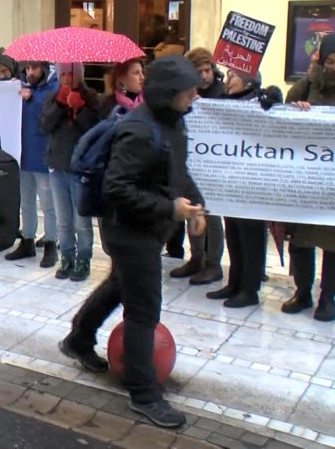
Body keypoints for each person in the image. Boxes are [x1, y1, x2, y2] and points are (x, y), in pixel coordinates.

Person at [59, 55, 206, 429]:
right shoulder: (139, 130)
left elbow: (179, 171)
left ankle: (78, 339)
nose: (195, 96)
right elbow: (118, 188)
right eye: (189, 90)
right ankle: (144, 394)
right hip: (128, 230)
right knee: (143, 311)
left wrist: (196, 205)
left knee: (119, 285)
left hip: (149, 226)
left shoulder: (172, 123)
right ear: (169, 92)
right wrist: (170, 209)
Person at [205, 70, 281, 308]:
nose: (227, 81)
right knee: (234, 234)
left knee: (251, 237)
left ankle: (250, 289)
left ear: (248, 81)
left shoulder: (261, 101)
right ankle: (235, 282)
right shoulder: (226, 102)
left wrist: (275, 99)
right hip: (230, 181)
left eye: (233, 77)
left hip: (253, 183)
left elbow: (278, 120)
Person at [283, 33, 335, 322]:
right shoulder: (308, 85)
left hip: (331, 182)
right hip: (305, 178)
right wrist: (297, 108)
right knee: (300, 239)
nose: (333, 67)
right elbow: (285, 111)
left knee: (332, 243)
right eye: (330, 61)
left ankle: (329, 297)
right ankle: (302, 292)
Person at [169, 48, 226, 284]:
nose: (204, 76)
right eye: (199, 71)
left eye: (207, 70)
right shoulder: (185, 93)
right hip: (192, 161)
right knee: (192, 210)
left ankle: (214, 263)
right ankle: (197, 257)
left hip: (215, 165)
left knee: (211, 215)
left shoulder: (221, 93)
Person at [40, 63, 101, 280]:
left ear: (79, 75)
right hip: (57, 164)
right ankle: (66, 257)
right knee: (63, 219)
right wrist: (59, 105)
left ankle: (83, 259)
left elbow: (95, 128)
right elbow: (45, 126)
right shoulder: (52, 96)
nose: (66, 78)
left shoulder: (91, 96)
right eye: (62, 73)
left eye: (70, 73)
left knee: (80, 220)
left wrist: (79, 109)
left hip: (80, 168)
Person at [6, 60, 59, 266]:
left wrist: (32, 99)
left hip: (43, 157)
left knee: (48, 205)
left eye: (34, 68)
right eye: (27, 68)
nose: (30, 72)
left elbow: (49, 119)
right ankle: (27, 239)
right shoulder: (22, 88)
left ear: (44, 69)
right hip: (23, 156)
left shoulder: (53, 90)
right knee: (26, 202)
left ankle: (51, 243)